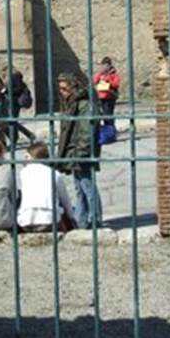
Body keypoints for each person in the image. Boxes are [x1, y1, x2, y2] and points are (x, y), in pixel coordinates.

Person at [56, 71, 103, 229]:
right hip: (73, 151)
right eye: (60, 89)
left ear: (74, 87)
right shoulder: (73, 103)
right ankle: (81, 220)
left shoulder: (85, 105)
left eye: (65, 89)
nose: (62, 93)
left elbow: (86, 133)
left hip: (81, 152)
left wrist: (80, 154)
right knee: (79, 188)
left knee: (87, 186)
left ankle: (95, 218)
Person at [17, 141, 75, 233]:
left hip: (25, 222)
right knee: (60, 207)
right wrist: (72, 217)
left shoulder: (23, 173)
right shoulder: (54, 173)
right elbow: (65, 200)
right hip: (49, 222)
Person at [0, 68, 36, 146]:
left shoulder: (14, 77)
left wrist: (6, 90)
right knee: (11, 121)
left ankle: (22, 137)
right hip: (12, 103)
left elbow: (18, 89)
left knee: (11, 121)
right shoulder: (15, 78)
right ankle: (24, 136)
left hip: (14, 103)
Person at [92, 56, 121, 128]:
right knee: (103, 114)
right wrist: (99, 74)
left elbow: (116, 84)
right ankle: (107, 128)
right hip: (101, 96)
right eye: (103, 65)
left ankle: (110, 129)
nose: (105, 67)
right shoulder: (100, 74)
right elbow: (94, 81)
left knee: (108, 114)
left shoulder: (113, 74)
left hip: (110, 96)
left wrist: (108, 80)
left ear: (110, 65)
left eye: (106, 65)